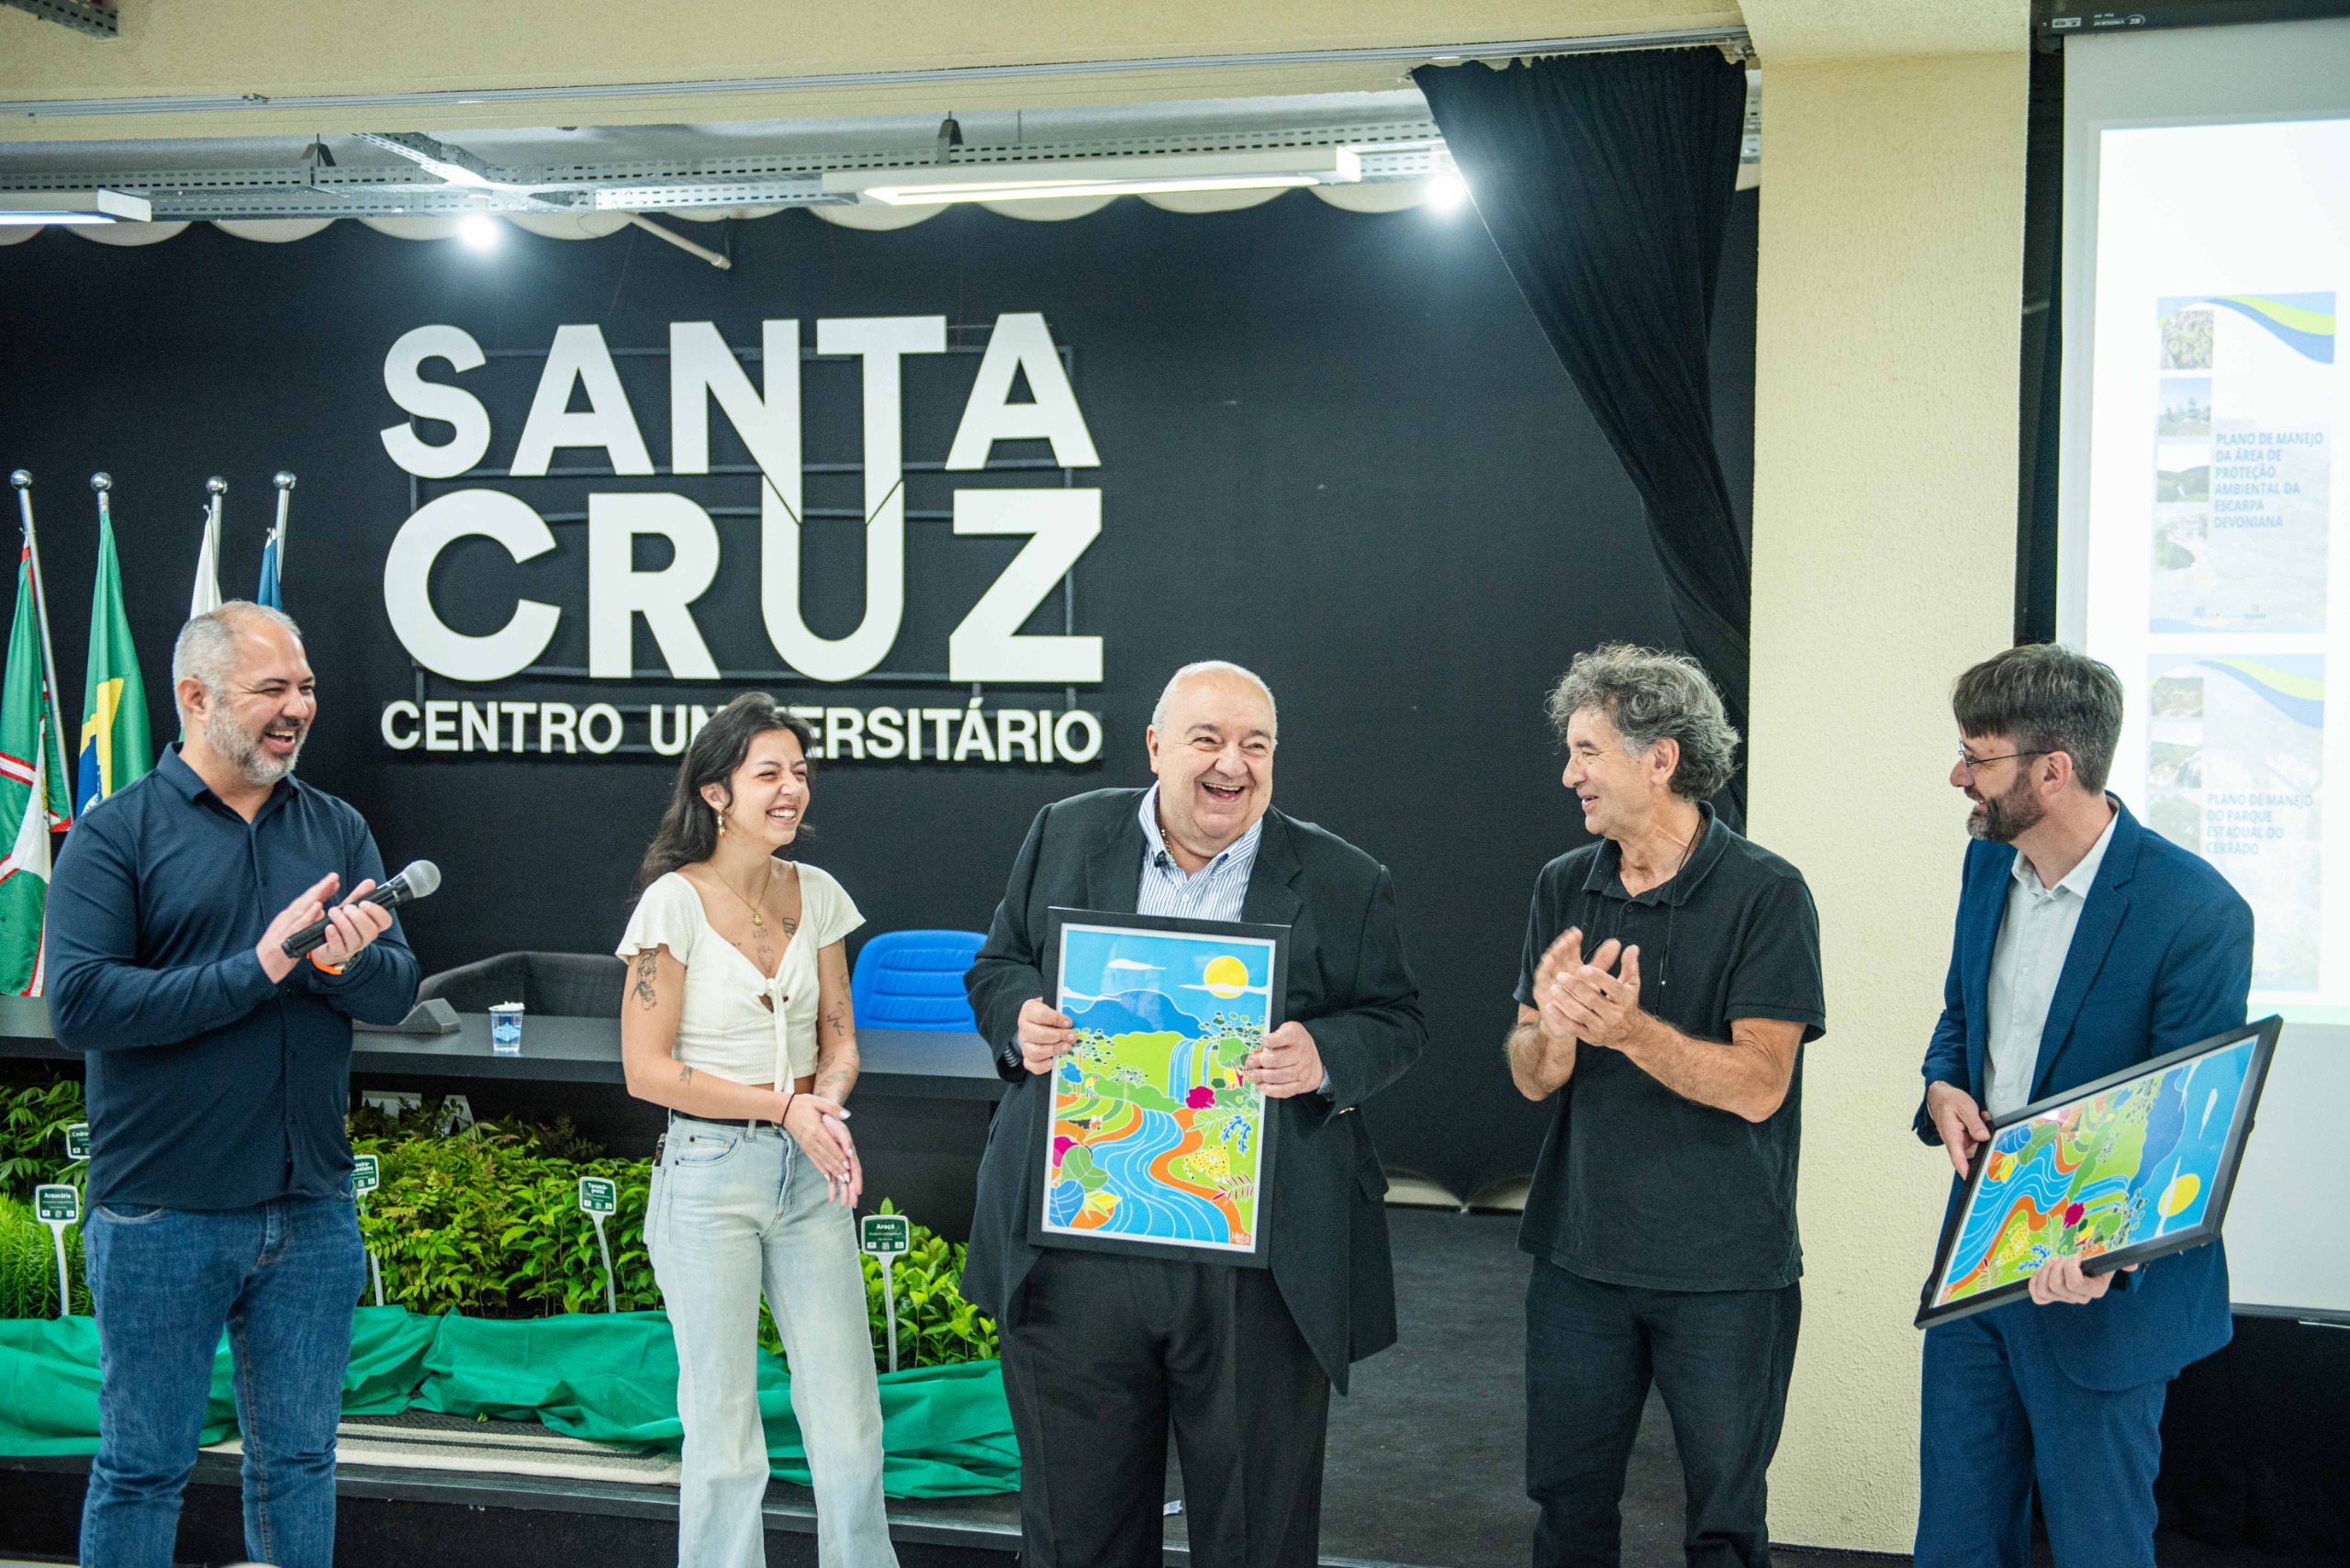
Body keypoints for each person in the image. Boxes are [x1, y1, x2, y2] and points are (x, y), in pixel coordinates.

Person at [961, 659, 1425, 1568]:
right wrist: (1019, 1016)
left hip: (1257, 1261)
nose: (1232, 764)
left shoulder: (1344, 878)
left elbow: (1396, 1020)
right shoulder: (1065, 831)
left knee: (1256, 1535)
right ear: (1155, 746)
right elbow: (998, 964)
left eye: (1256, 745)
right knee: (1075, 1533)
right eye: (1207, 739)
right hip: (1075, 1242)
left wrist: (1325, 1053)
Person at [46, 602, 419, 1568]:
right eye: (273, 689)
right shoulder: (115, 834)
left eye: (306, 688)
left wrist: (342, 963)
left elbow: (396, 989)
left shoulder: (337, 825)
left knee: (299, 1462)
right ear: (196, 697)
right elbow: (80, 1005)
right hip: (162, 1213)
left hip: (312, 1210)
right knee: (143, 1467)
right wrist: (256, 968)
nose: (299, 707)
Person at [1914, 644, 2250, 1568]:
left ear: (2052, 771)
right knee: (1954, 1542)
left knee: (2101, 1548)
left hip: (2100, 1288)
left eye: (1977, 758)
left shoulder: (2197, 910)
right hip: (1978, 1263)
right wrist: (1941, 1083)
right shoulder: (1986, 867)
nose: (1958, 776)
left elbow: (2189, 1116)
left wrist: (2107, 1250)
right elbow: (1960, 1015)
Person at [1505, 644, 1825, 1568]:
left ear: (1661, 758)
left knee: (1724, 1527)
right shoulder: (1563, 883)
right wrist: (1556, 1031)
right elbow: (1530, 1075)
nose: (1569, 775)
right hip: (1578, 1260)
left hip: (1725, 1273)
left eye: (1587, 751)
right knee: (1567, 1509)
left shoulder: (1767, 893)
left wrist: (1630, 1030)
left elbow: (1761, 1084)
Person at [616, 692, 896, 1568]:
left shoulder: (818, 894)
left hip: (809, 1175)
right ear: (715, 793)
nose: (792, 790)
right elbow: (644, 1070)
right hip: (707, 1175)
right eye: (768, 773)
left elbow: (839, 1041)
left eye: (800, 773)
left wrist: (824, 1107)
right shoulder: (671, 904)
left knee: (850, 1419)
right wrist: (784, 1108)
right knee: (724, 1431)